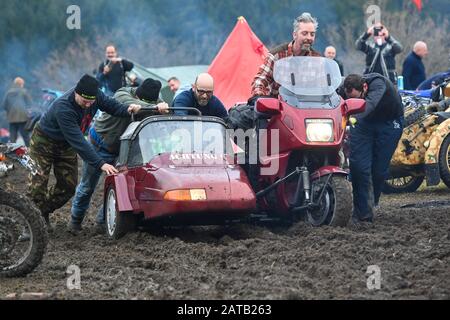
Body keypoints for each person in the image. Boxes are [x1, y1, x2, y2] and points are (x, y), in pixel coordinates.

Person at [28, 75, 142, 227]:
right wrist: (101, 163)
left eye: (91, 101)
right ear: (76, 92)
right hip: (44, 142)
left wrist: (128, 109)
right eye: (84, 100)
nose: (88, 105)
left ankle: (41, 212)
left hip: (65, 145)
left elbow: (112, 106)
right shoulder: (63, 108)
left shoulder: (96, 95)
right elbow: (79, 142)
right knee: (37, 187)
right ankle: (31, 225)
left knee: (68, 187)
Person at [69, 78, 169, 233]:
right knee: (88, 186)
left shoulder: (156, 101)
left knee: (121, 187)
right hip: (100, 145)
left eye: (153, 102)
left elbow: (164, 111)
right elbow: (139, 106)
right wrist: (155, 107)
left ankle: (103, 221)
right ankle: (75, 221)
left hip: (126, 150)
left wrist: (164, 108)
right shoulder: (123, 94)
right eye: (144, 101)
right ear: (137, 93)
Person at [341, 74, 404, 224]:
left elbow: (369, 104)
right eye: (352, 100)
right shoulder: (343, 89)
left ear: (364, 87)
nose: (358, 101)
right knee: (358, 167)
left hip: (389, 122)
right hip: (364, 124)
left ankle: (370, 203)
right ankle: (363, 213)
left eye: (359, 97)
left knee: (378, 169)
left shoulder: (378, 84)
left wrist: (353, 118)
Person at [251, 12, 321, 99]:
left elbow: (323, 88)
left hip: (307, 108)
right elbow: (260, 80)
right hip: (279, 108)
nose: (309, 38)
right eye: (305, 33)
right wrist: (259, 96)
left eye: (312, 34)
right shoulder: (276, 55)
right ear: (294, 35)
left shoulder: (317, 60)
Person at [1, 77, 32, 146]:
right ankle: (30, 151)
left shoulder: (9, 93)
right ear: (21, 84)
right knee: (25, 136)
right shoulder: (24, 92)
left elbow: (4, 106)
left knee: (13, 137)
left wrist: (10, 112)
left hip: (12, 119)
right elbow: (30, 104)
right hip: (23, 118)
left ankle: (11, 153)